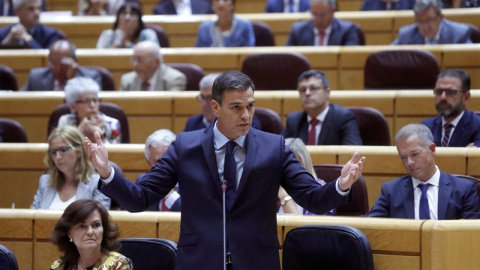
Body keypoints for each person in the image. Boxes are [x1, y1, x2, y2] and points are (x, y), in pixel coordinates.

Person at [85, 70, 365, 269]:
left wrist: (340, 185)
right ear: (216, 107)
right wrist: (107, 171)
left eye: (251, 106)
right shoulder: (186, 146)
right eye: (236, 107)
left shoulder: (274, 147)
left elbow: (312, 199)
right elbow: (140, 197)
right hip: (199, 261)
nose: (246, 115)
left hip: (256, 261)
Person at [366, 124, 479, 219]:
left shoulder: (463, 190)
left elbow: (470, 236)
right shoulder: (391, 191)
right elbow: (371, 227)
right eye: (403, 157)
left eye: (415, 154)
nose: (409, 162)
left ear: (432, 150)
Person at [31, 126, 111, 210]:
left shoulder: (98, 184)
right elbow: (32, 218)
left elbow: (101, 219)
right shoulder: (45, 182)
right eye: (53, 152)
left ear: (79, 151)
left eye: (63, 150)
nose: (58, 157)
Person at [282, 69, 362, 145]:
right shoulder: (294, 120)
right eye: (303, 90)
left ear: (327, 92)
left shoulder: (344, 118)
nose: (307, 93)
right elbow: (278, 150)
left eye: (313, 88)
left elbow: (352, 153)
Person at [50, 199, 132, 270]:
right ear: (69, 233)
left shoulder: (118, 264)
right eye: (82, 226)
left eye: (96, 225)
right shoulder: (59, 267)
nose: (90, 232)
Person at [420, 68, 480, 147]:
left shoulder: (477, 125)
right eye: (439, 92)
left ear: (466, 97)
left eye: (451, 92)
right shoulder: (426, 127)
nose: (443, 97)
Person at [184, 73, 261, 131]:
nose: (204, 103)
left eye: (210, 97)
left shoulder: (247, 122)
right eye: (202, 97)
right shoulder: (193, 122)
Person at [279, 138, 336, 215]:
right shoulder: (270, 188)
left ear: (306, 163)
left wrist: (284, 196)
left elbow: (302, 226)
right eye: (284, 166)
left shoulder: (320, 190)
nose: (290, 171)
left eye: (295, 165)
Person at [58, 77, 122, 144]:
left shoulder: (112, 124)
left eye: (95, 100)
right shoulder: (65, 122)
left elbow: (116, 153)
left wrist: (101, 135)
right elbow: (62, 149)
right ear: (73, 107)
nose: (92, 105)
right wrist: (79, 132)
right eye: (86, 101)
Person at [21, 40, 102, 91]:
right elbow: (19, 101)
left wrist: (72, 80)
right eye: (53, 62)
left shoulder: (91, 78)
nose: (58, 68)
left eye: (62, 63)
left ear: (75, 61)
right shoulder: (36, 77)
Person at [137, 129, 181, 211]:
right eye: (159, 161)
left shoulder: (192, 181)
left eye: (168, 160)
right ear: (148, 162)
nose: (165, 166)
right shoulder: (142, 181)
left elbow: (196, 214)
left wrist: (171, 197)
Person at [391, 0, 472, 45]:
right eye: (420, 21)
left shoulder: (459, 34)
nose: (425, 27)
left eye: (429, 20)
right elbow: (387, 57)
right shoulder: (406, 35)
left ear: (440, 18)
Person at [286, 0, 361, 46]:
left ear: (332, 12)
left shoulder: (347, 31)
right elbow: (289, 60)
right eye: (314, 14)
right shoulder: (297, 31)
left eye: (323, 15)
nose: (318, 20)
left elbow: (350, 59)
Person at [119, 40, 186, 91]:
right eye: (133, 59)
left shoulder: (174, 80)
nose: (135, 64)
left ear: (156, 62)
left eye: (140, 60)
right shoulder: (127, 81)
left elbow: (172, 107)